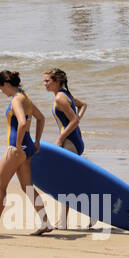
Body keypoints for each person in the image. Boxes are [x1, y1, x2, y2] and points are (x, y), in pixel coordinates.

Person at [0, 70, 53, 235]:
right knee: (27, 187)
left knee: (0, 185)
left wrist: (17, 146)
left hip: (17, 149)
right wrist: (36, 141)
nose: (2, 92)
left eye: (1, 88)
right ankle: (46, 222)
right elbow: (41, 118)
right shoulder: (24, 96)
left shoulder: (16, 100)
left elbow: (22, 122)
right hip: (28, 148)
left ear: (5, 84)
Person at [43, 68, 86, 230]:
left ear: (57, 81)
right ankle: (70, 219)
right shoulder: (65, 94)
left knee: (64, 184)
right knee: (68, 183)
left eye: (47, 81)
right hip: (76, 141)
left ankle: (62, 222)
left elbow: (74, 120)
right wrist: (74, 125)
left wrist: (60, 138)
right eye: (44, 81)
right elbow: (83, 106)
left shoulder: (60, 98)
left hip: (69, 143)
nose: (45, 84)